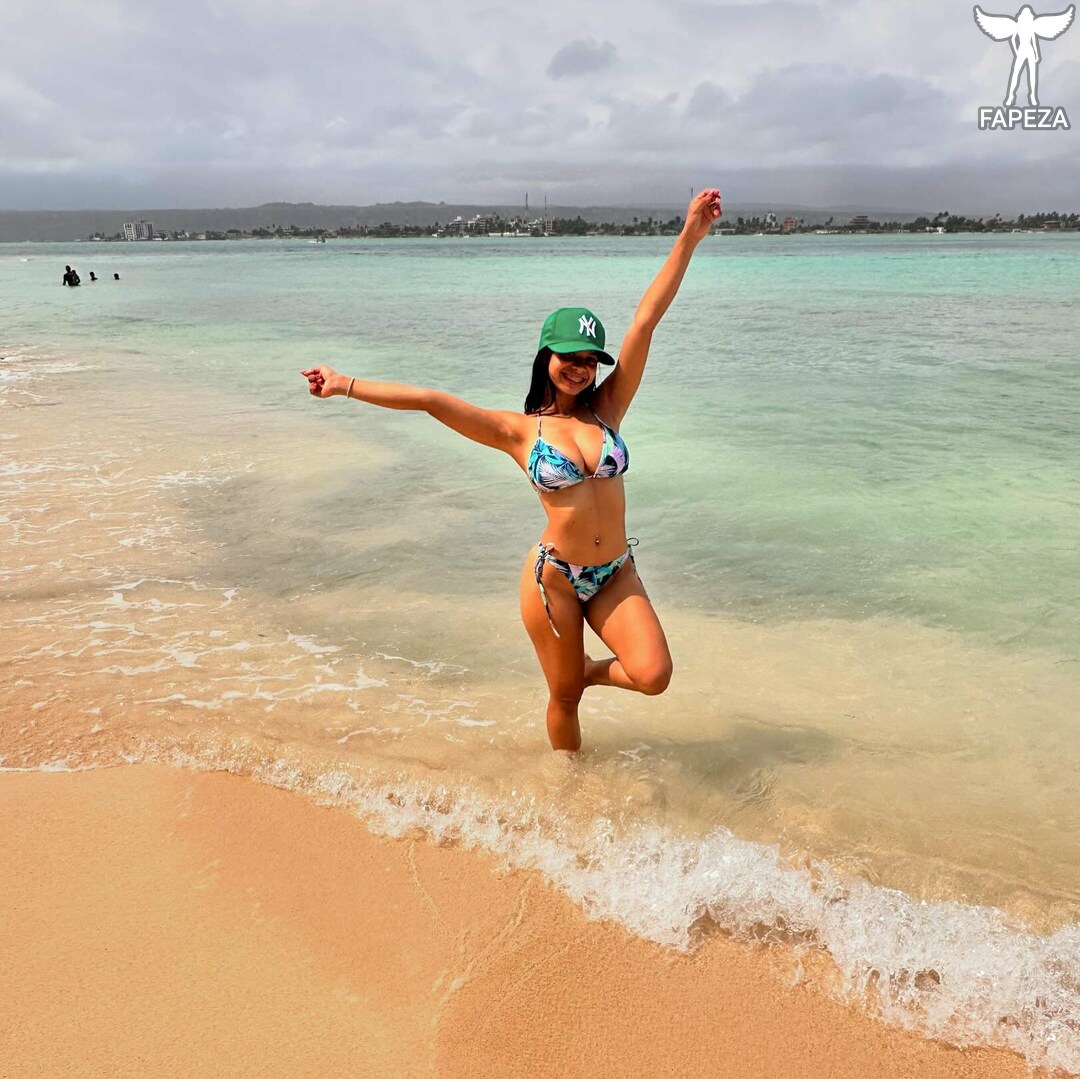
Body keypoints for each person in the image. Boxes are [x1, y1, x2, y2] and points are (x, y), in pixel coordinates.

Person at [301, 187, 722, 751]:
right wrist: (344, 384)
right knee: (563, 700)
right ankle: (568, 787)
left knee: (653, 674)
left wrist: (688, 237)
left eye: (590, 361)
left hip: (615, 571)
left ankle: (584, 672)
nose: (580, 369)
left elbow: (644, 322)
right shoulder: (519, 432)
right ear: (546, 356)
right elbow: (430, 400)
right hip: (554, 578)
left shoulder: (609, 409)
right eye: (569, 357)